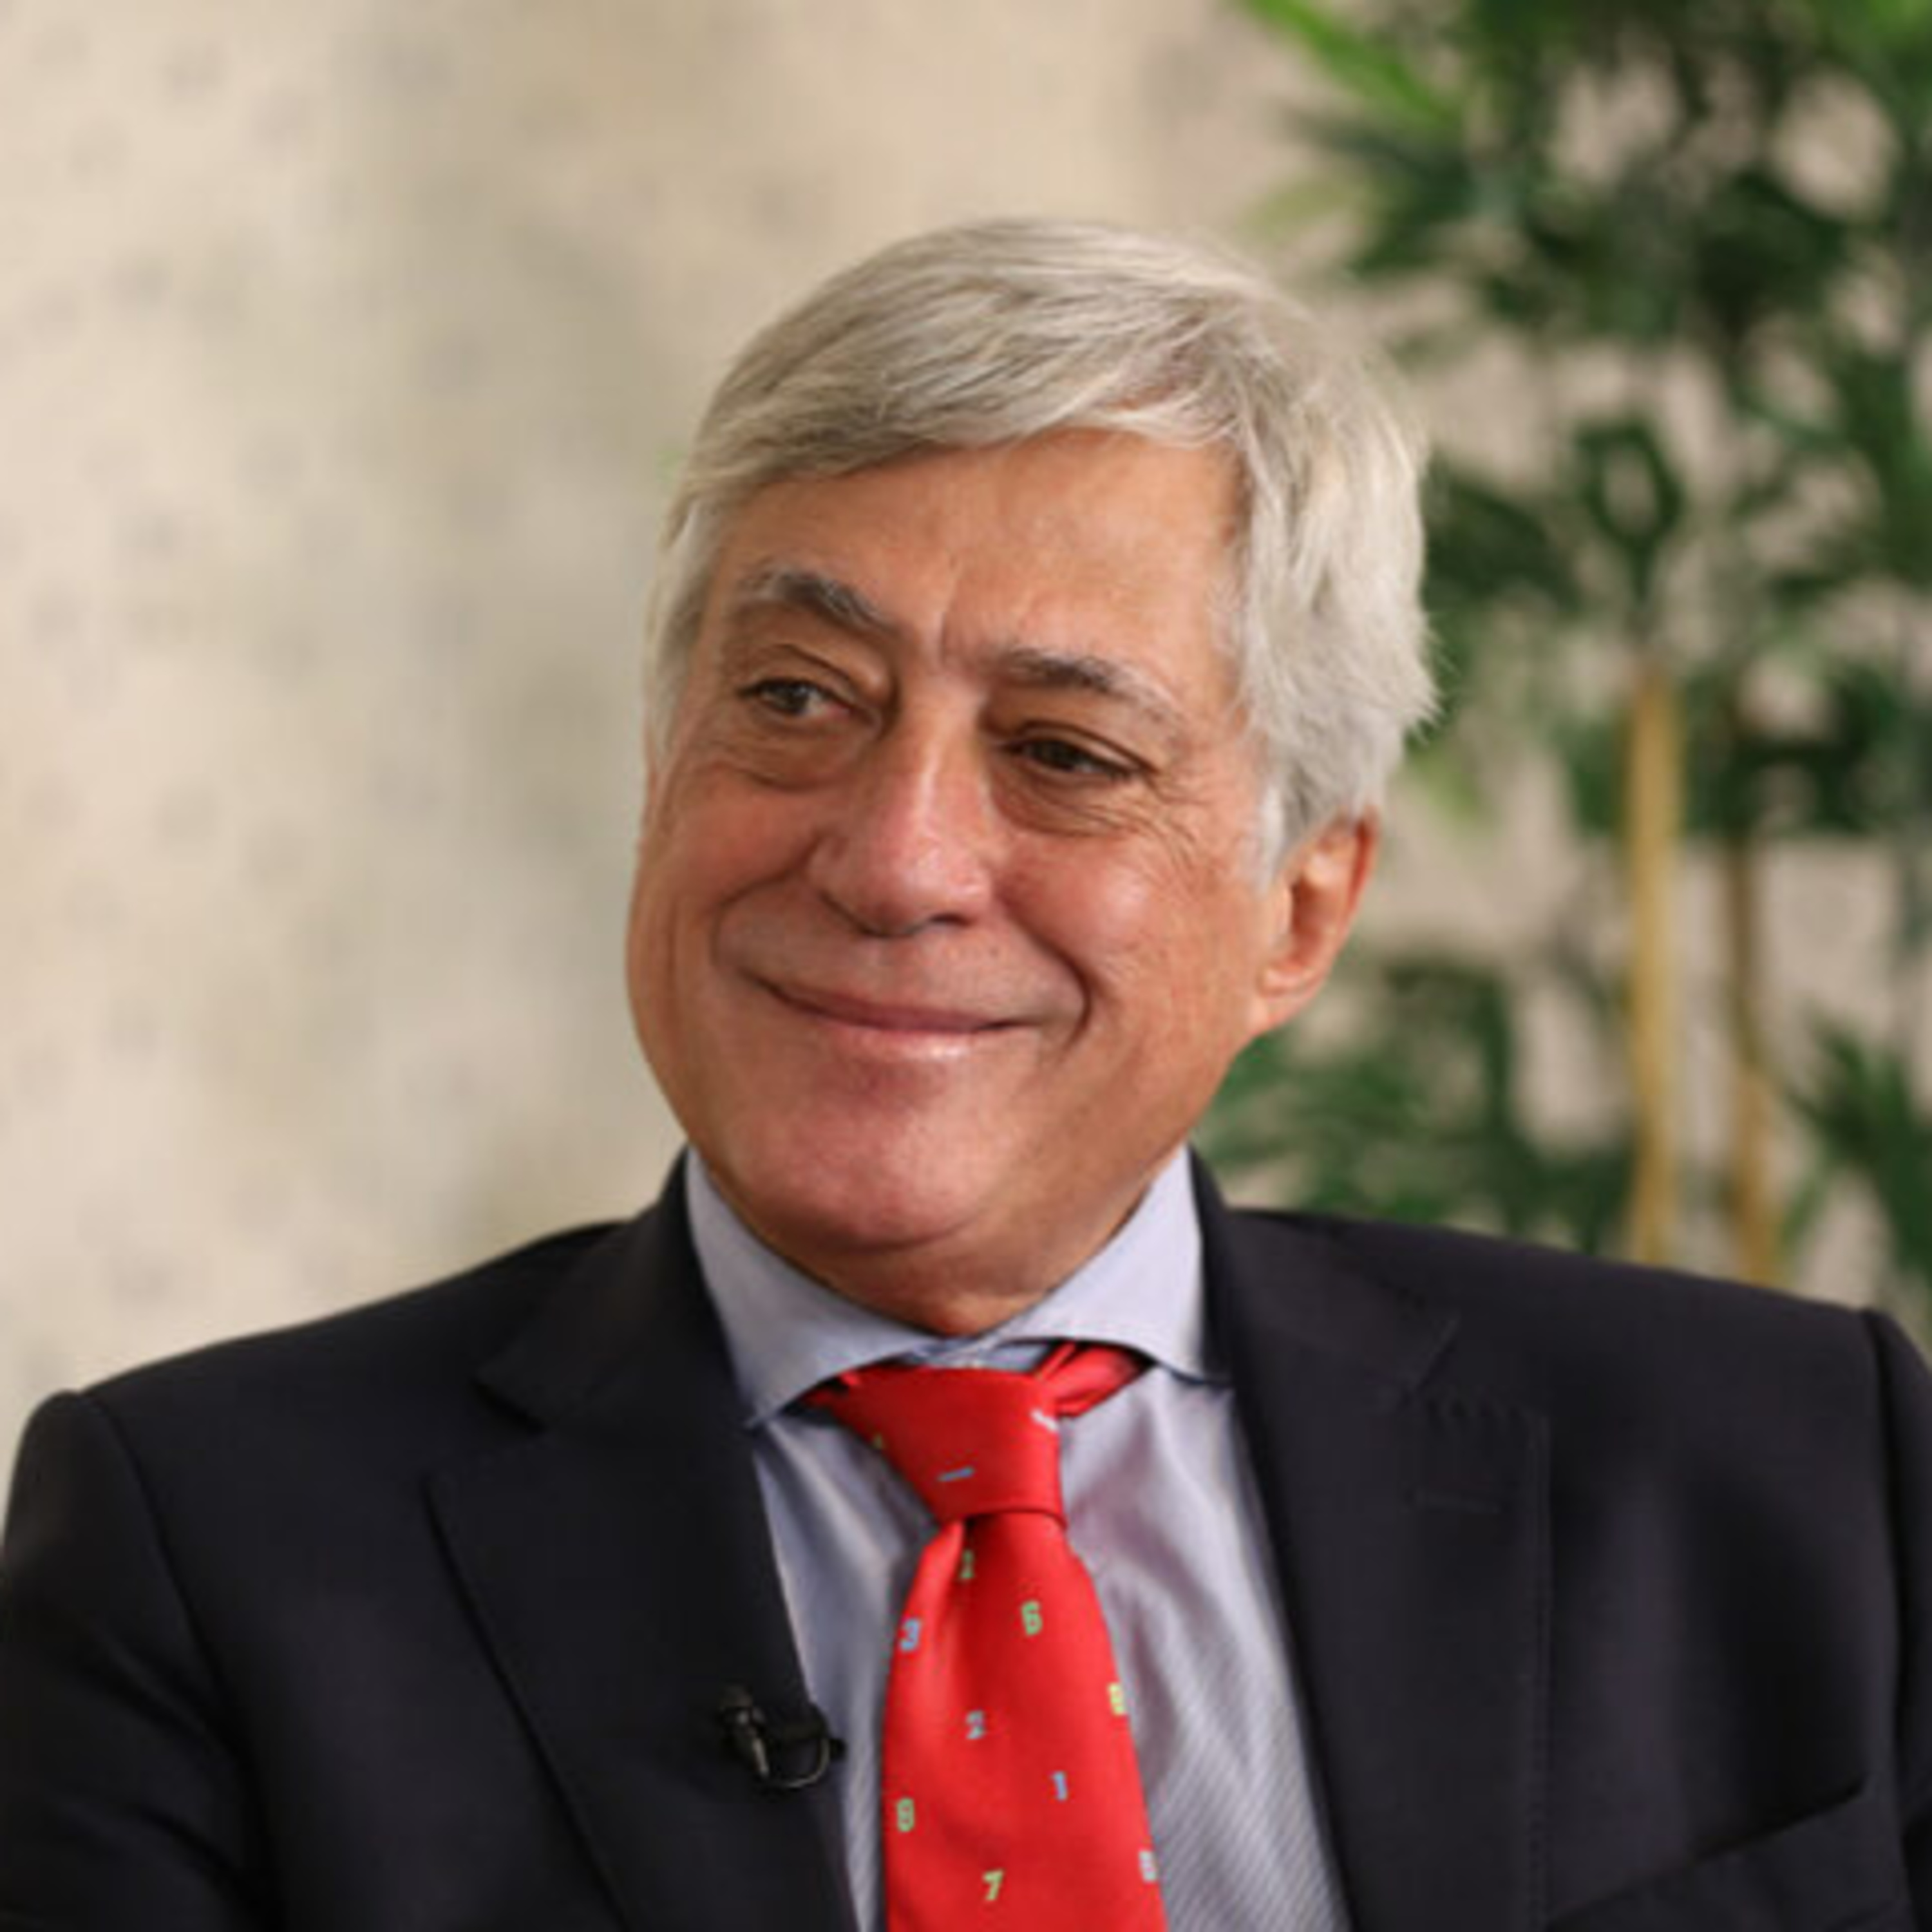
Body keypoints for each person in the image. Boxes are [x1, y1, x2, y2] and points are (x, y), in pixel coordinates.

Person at [1, 218, 1927, 1932]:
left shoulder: (1800, 1473)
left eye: (1067, 754)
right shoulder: (198, 1551)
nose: (894, 859)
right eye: (795, 701)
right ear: (661, 770)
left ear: (1299, 913)